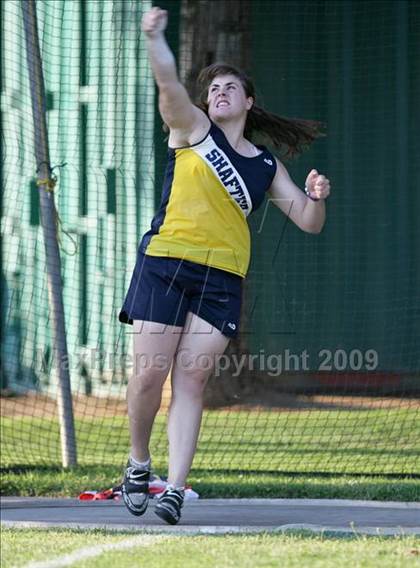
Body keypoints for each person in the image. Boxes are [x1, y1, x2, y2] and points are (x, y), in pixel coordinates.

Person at [118, 6, 331, 525]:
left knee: (191, 380)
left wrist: (317, 196)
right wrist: (154, 38)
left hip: (221, 278)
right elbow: (168, 81)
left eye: (230, 86)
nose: (219, 92)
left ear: (249, 101)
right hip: (166, 263)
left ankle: (176, 487)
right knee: (149, 376)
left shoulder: (264, 165)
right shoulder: (191, 130)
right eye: (213, 88)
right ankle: (138, 462)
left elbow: (308, 221)